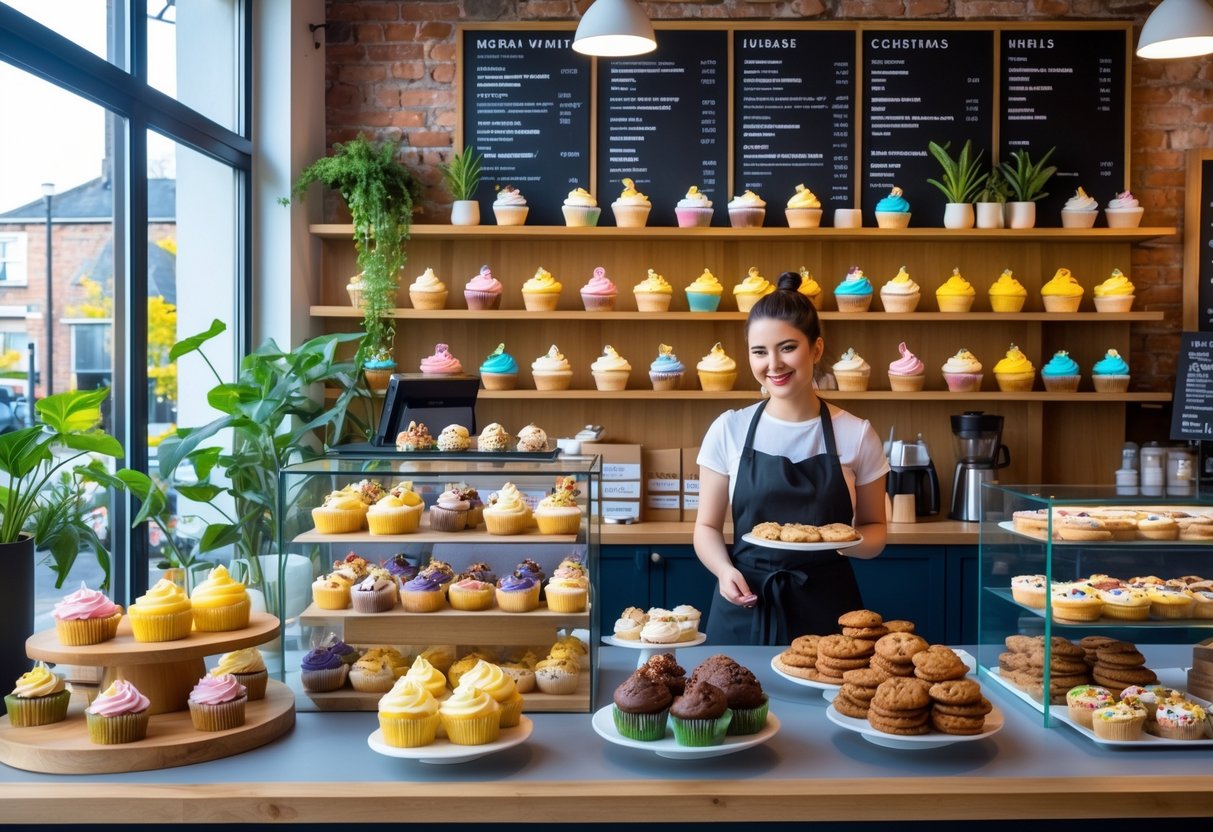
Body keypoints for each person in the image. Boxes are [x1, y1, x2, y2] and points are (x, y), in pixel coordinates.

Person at [694, 271, 889, 645]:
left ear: (815, 350)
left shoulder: (857, 433)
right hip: (745, 602)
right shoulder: (729, 429)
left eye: (787, 347)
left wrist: (833, 541)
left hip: (829, 608)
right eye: (759, 351)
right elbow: (706, 528)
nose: (773, 364)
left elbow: (875, 529)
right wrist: (723, 571)